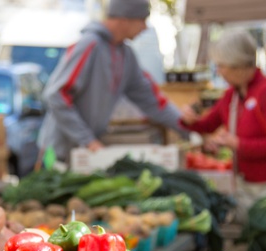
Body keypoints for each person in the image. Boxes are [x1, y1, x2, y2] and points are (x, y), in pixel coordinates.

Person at [37, 0, 182, 165]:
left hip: (87, 152)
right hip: (59, 153)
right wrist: (87, 140)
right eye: (142, 20)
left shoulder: (126, 55)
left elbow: (151, 99)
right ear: (124, 19)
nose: (145, 27)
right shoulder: (89, 45)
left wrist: (188, 128)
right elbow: (56, 94)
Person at [180, 29, 266, 223]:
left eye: (222, 65)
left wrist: (239, 144)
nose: (219, 71)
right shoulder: (232, 95)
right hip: (243, 184)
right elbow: (208, 125)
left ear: (238, 65)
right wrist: (189, 119)